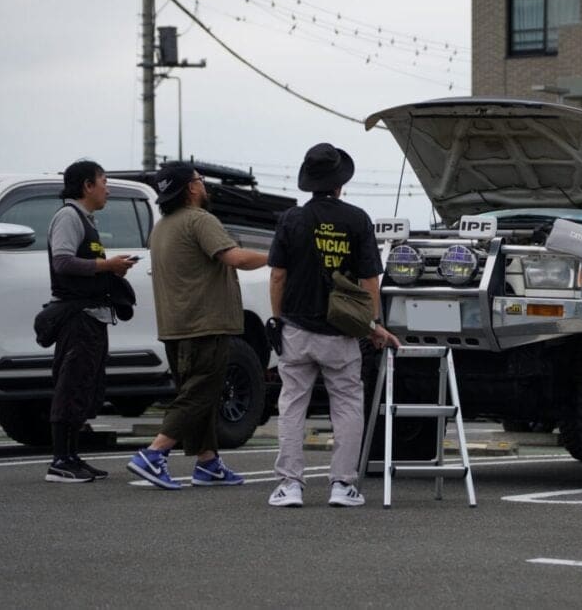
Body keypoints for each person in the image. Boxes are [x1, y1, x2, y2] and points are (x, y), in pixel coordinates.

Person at [267, 143, 399, 508]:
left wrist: (278, 319)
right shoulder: (357, 219)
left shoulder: (291, 219)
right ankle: (342, 484)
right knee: (347, 404)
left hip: (296, 327)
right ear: (341, 183)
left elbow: (277, 275)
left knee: (292, 404)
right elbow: (370, 280)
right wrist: (373, 324)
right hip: (341, 331)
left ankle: (290, 485)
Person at [126, 164, 267, 490]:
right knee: (201, 393)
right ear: (191, 188)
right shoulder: (200, 220)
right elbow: (235, 258)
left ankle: (207, 462)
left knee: (197, 393)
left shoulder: (162, 227)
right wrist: (278, 257)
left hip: (175, 326)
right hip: (205, 323)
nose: (204, 186)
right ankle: (153, 454)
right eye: (200, 181)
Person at [45, 160, 138, 483]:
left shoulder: (87, 220)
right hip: (77, 317)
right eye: (103, 181)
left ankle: (72, 456)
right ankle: (60, 460)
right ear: (87, 185)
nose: (107, 189)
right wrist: (106, 265)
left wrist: (111, 269)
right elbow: (62, 262)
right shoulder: (69, 217)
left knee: (85, 385)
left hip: (93, 316)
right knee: (70, 385)